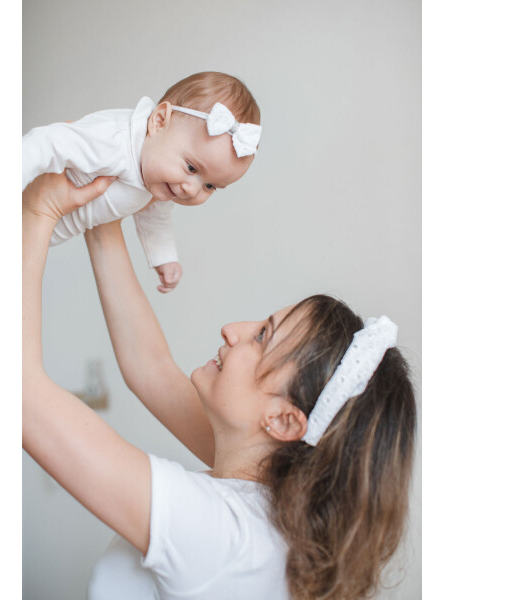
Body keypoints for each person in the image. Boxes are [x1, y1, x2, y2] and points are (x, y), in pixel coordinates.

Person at [22, 173, 417, 600]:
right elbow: (150, 369)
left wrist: (37, 211)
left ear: (285, 419)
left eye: (263, 336)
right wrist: (102, 210)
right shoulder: (269, 498)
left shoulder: (226, 536)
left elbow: (20, 394)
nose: (232, 330)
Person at [22, 71, 261, 293]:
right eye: (191, 168)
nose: (191, 189)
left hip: (35, 239)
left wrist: (164, 255)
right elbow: (46, 142)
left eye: (209, 186)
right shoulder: (114, 141)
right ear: (158, 122)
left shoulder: (164, 180)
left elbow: (155, 213)